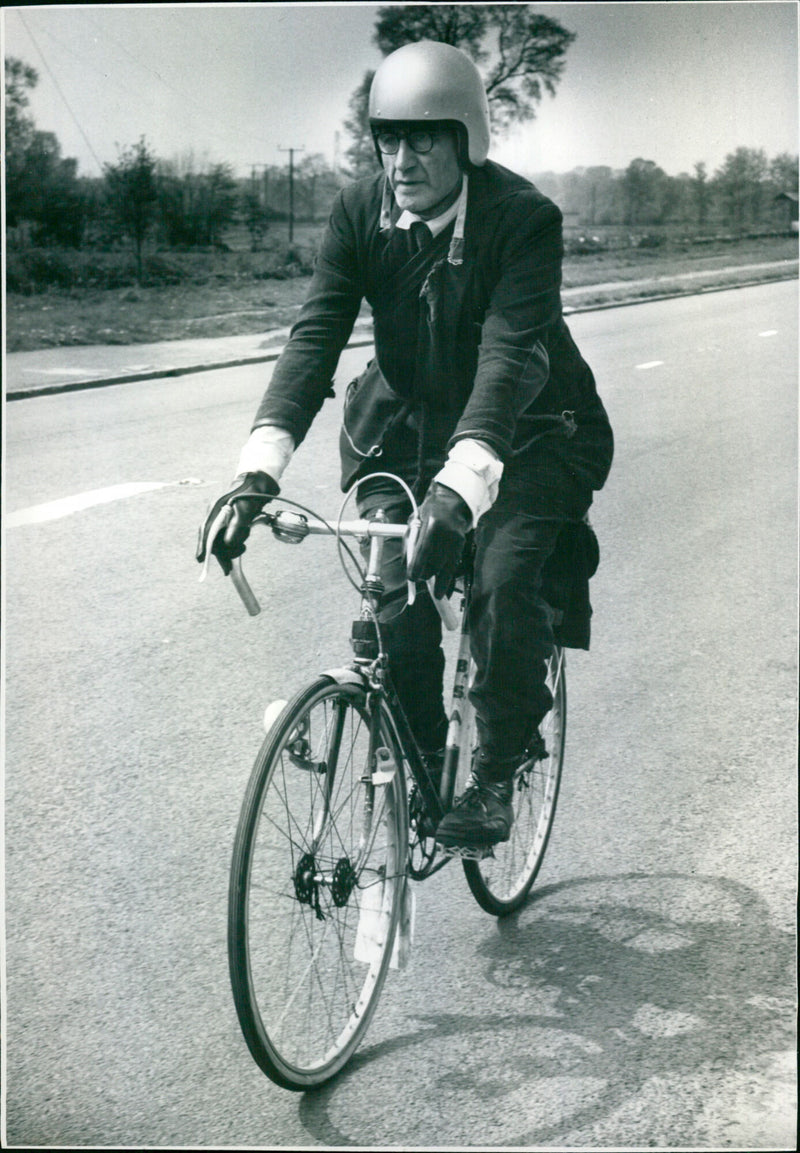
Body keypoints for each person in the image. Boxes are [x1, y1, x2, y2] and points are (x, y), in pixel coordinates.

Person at [197, 39, 613, 851]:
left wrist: (461, 493)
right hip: (405, 427)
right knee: (392, 593)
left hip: (530, 434)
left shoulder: (524, 221)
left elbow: (507, 358)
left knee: (497, 572)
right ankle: (422, 759)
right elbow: (315, 337)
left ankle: (496, 771)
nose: (402, 157)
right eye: (389, 137)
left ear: (466, 142)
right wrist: (256, 470)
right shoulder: (359, 212)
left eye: (425, 138)